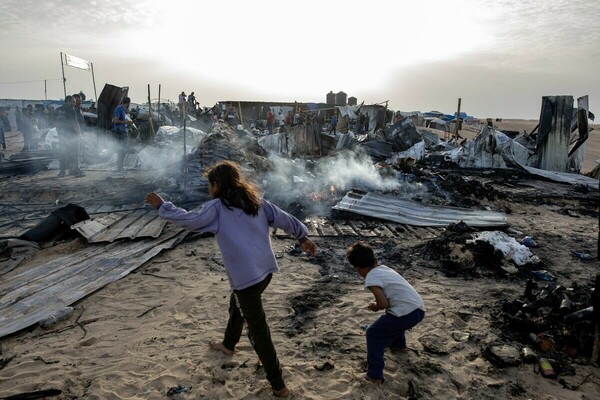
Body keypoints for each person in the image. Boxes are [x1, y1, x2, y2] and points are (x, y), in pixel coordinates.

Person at [144, 161, 318, 398]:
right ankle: (228, 345)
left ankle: (279, 386)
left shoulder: (216, 208)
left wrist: (163, 206)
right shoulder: (256, 202)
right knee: (237, 302)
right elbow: (285, 218)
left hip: (246, 277)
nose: (208, 189)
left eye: (209, 185)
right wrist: (302, 237)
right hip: (265, 272)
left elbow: (189, 221)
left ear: (216, 185)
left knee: (258, 330)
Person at [346, 241, 425, 384]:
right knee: (393, 319)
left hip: (406, 313)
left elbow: (383, 304)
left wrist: (375, 306)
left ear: (358, 268)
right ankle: (398, 346)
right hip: (418, 309)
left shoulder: (371, 278)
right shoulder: (385, 269)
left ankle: (374, 375)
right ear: (374, 260)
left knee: (373, 333)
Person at [55, 96, 82, 177]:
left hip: (62, 135)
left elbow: (55, 123)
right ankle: (76, 171)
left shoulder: (58, 110)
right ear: (68, 101)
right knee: (74, 154)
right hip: (72, 135)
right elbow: (75, 124)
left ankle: (62, 172)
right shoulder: (71, 110)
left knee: (63, 153)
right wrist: (79, 134)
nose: (75, 103)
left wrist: (59, 132)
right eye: (73, 102)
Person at [112, 97, 133, 172]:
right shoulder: (119, 108)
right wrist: (126, 122)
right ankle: (119, 168)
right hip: (119, 132)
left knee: (123, 151)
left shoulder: (123, 110)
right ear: (128, 103)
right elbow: (116, 121)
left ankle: (120, 167)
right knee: (121, 150)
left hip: (123, 132)